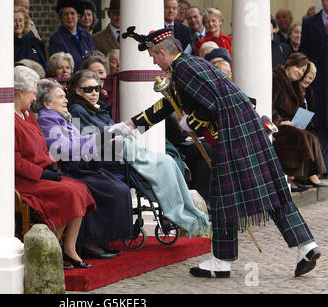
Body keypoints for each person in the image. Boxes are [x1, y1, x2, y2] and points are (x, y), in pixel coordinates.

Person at [111, 27, 320, 278]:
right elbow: (169, 103)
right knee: (269, 191)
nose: (154, 62)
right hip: (243, 134)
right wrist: (131, 125)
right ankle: (306, 245)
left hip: (233, 137)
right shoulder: (190, 65)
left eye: (154, 57)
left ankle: (221, 261)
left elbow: (210, 106)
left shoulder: (185, 69)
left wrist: (193, 121)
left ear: (163, 52)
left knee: (223, 198)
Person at [68, 69, 210, 238]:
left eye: (97, 88)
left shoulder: (96, 108)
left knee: (168, 160)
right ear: (77, 91)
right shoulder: (77, 109)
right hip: (108, 158)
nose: (94, 93)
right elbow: (91, 138)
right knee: (164, 163)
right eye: (88, 89)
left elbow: (115, 129)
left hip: (119, 151)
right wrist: (119, 134)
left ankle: (179, 210)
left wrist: (125, 131)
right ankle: (173, 212)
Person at [35, 79, 133, 259]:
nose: (66, 100)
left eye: (65, 96)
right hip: (66, 171)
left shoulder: (62, 117)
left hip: (80, 166)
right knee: (111, 190)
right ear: (47, 103)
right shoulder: (46, 120)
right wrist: (98, 139)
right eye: (60, 97)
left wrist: (103, 139)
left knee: (120, 187)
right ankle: (89, 242)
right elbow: (63, 148)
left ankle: (102, 240)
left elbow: (78, 140)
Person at [13, 66, 96, 269]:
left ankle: (69, 248)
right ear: (21, 91)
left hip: (43, 172)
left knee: (80, 188)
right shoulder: (10, 118)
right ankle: (53, 247)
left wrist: (51, 168)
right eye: (33, 92)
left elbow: (41, 148)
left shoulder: (26, 114)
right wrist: (42, 173)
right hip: (26, 180)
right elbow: (16, 161)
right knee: (69, 192)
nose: (34, 98)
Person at [272, 53, 326, 191]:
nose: (300, 73)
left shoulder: (293, 84)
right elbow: (270, 104)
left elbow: (300, 107)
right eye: (299, 68)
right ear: (290, 64)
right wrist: (280, 122)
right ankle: (290, 176)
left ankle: (305, 175)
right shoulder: (276, 78)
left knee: (310, 136)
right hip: (277, 125)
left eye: (303, 71)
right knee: (299, 136)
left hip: (290, 123)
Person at [300, 0, 328, 179]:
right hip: (317, 83)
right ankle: (322, 167)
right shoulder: (310, 22)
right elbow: (305, 52)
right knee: (318, 125)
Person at [49, 0, 95, 73]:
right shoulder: (56, 39)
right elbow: (57, 66)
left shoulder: (86, 35)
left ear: (78, 16)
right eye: (66, 14)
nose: (69, 17)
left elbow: (94, 57)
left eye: (72, 13)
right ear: (61, 17)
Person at [13, 5, 46, 70]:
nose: (18, 24)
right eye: (14, 21)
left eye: (20, 20)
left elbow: (43, 65)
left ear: (25, 22)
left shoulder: (34, 42)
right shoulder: (6, 43)